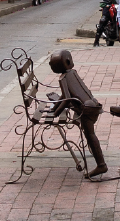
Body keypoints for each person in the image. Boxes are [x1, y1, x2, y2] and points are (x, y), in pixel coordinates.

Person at [47, 50, 109, 179]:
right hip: (91, 105)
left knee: (90, 135)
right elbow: (65, 96)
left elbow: (67, 98)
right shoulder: (72, 73)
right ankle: (100, 162)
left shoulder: (63, 78)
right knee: (89, 134)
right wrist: (55, 110)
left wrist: (56, 113)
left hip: (86, 110)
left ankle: (101, 164)